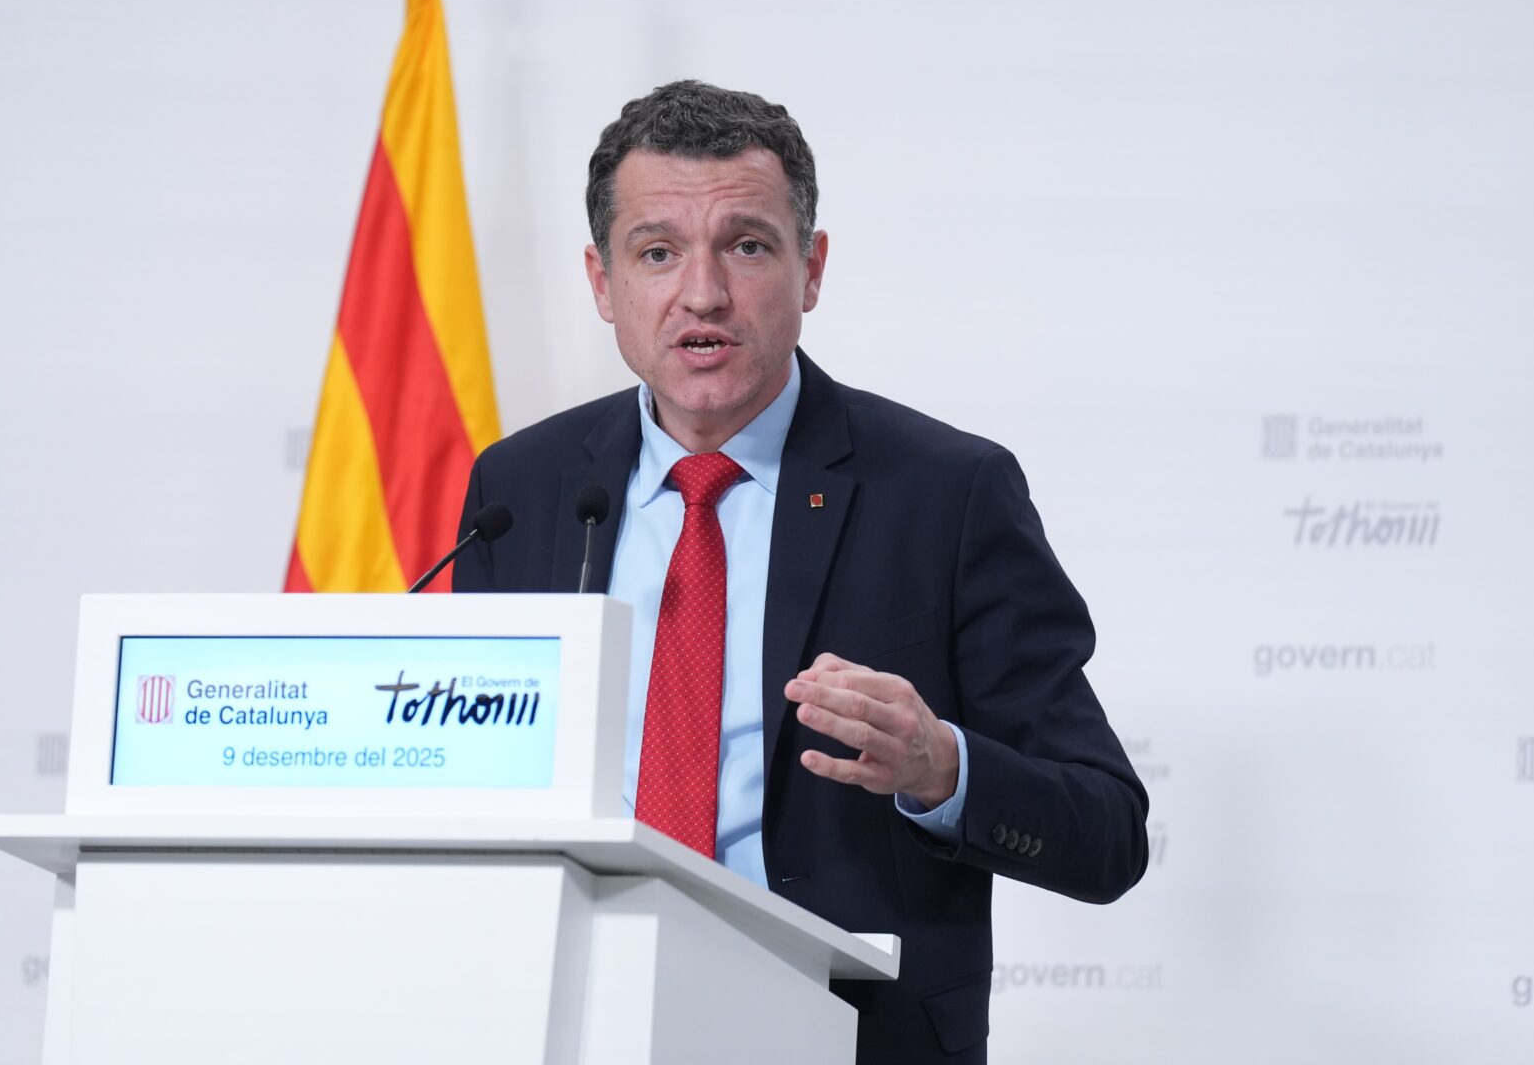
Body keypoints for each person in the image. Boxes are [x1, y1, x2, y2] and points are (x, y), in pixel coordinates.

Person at [453, 80, 1147, 1063]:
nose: (703, 293)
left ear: (811, 268)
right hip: (570, 1023)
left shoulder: (946, 493)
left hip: (846, 1035)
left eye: (746, 245)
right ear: (603, 283)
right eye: (657, 252)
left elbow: (1108, 830)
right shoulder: (521, 487)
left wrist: (942, 767)